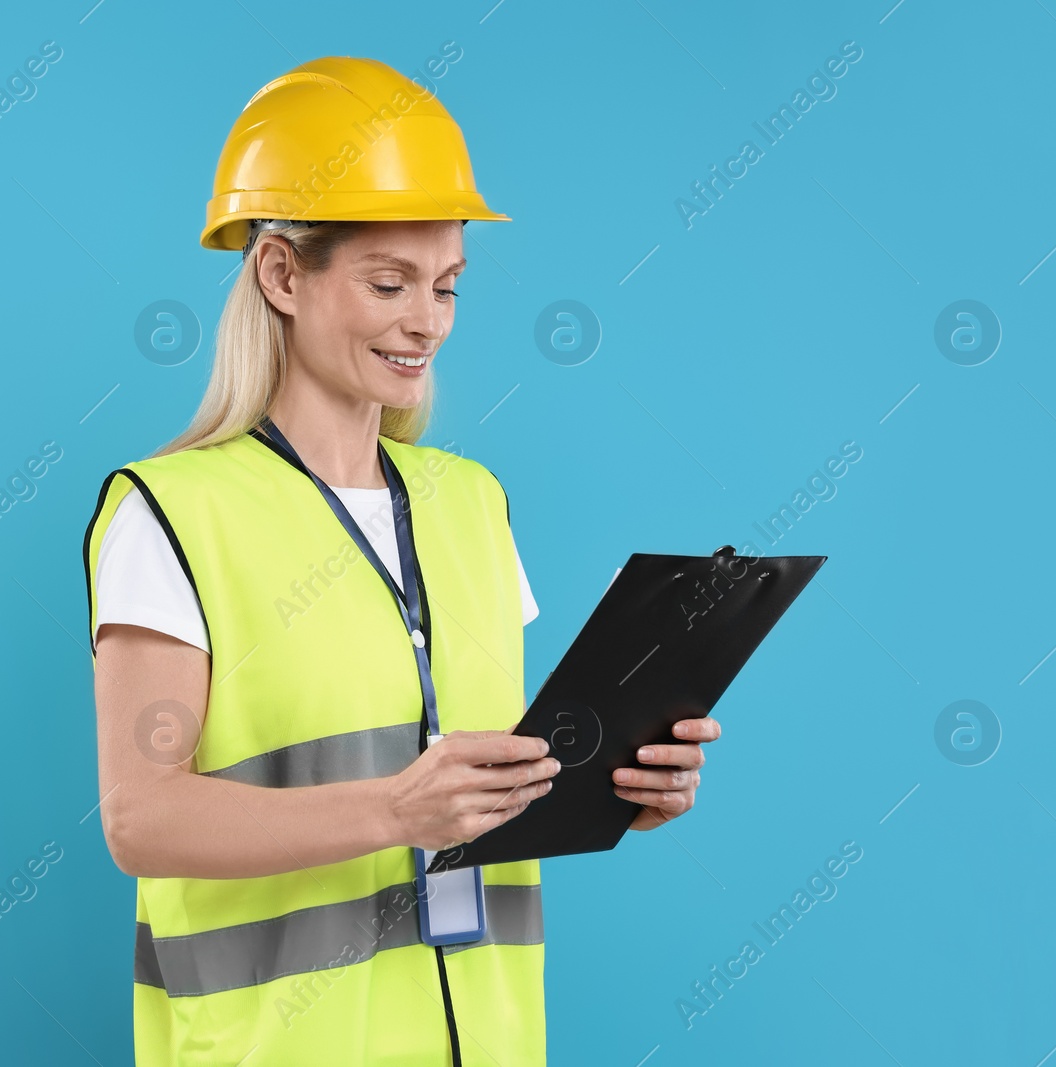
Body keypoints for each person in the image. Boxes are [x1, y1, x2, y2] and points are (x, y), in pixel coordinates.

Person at [83, 56, 720, 1066]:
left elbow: (488, 790)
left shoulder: (470, 503)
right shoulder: (172, 513)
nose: (426, 320)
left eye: (446, 286)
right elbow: (139, 815)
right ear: (282, 273)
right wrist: (392, 807)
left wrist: (623, 786)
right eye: (388, 282)